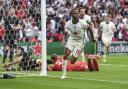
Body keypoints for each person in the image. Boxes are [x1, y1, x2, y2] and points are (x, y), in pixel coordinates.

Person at [61, 7, 89, 79]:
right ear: (71, 15)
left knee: (72, 61)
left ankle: (71, 55)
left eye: (77, 13)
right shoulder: (68, 24)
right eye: (74, 13)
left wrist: (93, 37)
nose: (76, 14)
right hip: (71, 39)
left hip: (80, 42)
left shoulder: (83, 23)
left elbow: (90, 28)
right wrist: (64, 40)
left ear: (79, 14)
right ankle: (63, 75)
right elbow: (65, 33)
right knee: (65, 55)